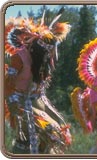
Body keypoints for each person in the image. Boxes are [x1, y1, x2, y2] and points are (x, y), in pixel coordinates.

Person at [4, 9, 72, 154]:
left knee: (60, 128)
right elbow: (6, 84)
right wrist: (13, 104)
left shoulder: (44, 62)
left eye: (51, 53)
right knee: (47, 132)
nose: (49, 56)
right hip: (21, 101)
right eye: (46, 53)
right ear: (37, 49)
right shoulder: (19, 57)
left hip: (39, 100)